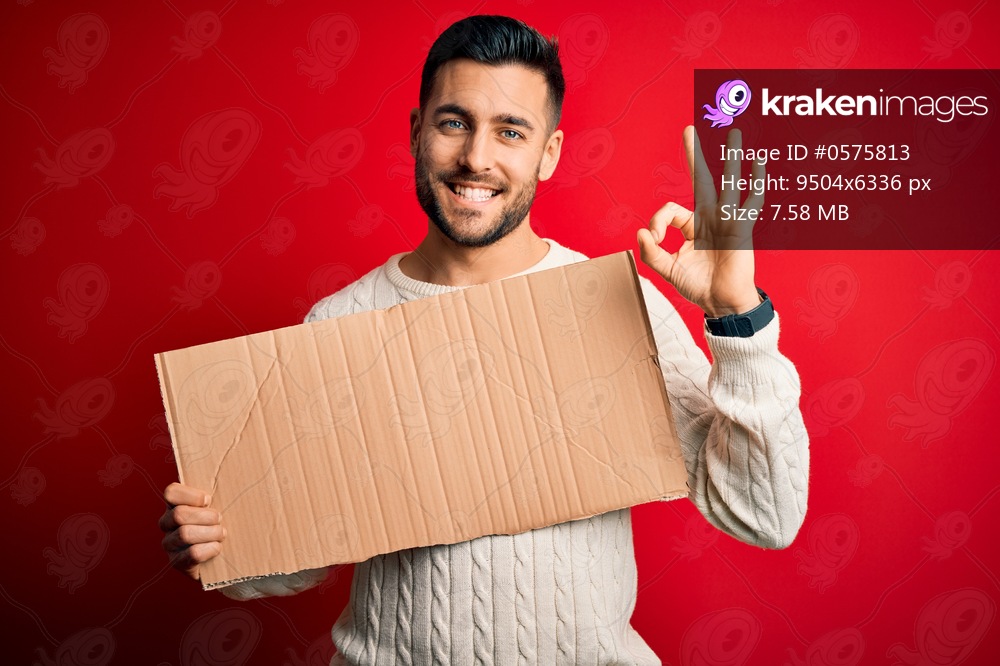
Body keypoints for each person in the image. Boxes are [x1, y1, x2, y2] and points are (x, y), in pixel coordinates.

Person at [159, 15, 808, 664]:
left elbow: (763, 513)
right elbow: (284, 564)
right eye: (453, 122)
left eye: (510, 131)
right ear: (417, 132)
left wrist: (737, 319)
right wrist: (220, 542)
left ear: (547, 153)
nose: (476, 157)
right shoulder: (339, 322)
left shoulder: (615, 306)